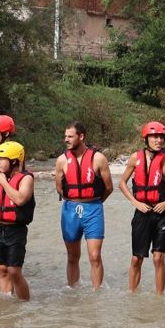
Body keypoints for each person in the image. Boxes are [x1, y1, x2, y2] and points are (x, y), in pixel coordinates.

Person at [53, 121, 114, 288]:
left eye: (70, 136)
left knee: (95, 256)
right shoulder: (61, 161)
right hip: (70, 209)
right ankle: (73, 291)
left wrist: (95, 202)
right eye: (65, 136)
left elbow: (109, 188)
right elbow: (59, 188)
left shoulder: (98, 159)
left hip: (93, 209)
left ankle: (96, 293)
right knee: (72, 256)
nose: (66, 139)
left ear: (81, 136)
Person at [122, 121, 165, 295]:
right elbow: (122, 183)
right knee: (136, 258)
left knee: (158, 258)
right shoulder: (135, 158)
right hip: (142, 212)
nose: (158, 140)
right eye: (154, 137)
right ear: (146, 138)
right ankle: (132, 294)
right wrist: (135, 202)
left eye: (161, 137)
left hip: (162, 213)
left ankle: (159, 297)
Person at [0, 141, 35, 301]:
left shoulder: (26, 179)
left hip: (16, 230)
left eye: (3, 159)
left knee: (14, 271)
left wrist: (3, 182)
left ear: (15, 161)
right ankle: (7, 301)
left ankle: (25, 304)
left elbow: (20, 199)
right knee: (1, 269)